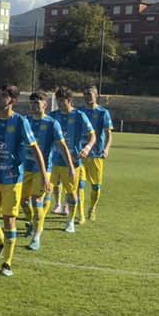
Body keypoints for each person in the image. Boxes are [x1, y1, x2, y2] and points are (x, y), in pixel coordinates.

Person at [0, 86, 45, 277]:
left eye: (3, 96)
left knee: (9, 219)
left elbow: (34, 148)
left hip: (12, 179)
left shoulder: (20, 121)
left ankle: (7, 262)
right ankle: (1, 241)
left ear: (12, 101)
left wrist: (44, 175)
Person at [22, 93, 68, 251]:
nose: (34, 105)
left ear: (45, 105)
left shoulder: (52, 123)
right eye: (32, 102)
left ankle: (36, 236)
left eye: (37, 102)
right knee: (23, 201)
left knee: (36, 202)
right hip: (25, 167)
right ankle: (31, 222)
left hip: (43, 170)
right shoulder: (25, 121)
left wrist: (70, 166)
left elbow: (62, 146)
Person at [53, 87, 96, 234]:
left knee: (71, 193)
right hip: (53, 161)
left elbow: (93, 135)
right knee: (44, 191)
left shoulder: (79, 116)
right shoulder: (53, 116)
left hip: (73, 162)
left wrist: (87, 148)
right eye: (58, 101)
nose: (59, 104)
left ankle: (70, 221)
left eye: (62, 101)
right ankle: (36, 221)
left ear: (69, 100)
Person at [80, 85, 115, 221]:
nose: (87, 97)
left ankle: (92, 208)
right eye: (85, 94)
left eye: (89, 94)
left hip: (96, 154)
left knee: (95, 185)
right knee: (80, 184)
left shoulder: (102, 112)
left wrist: (106, 149)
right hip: (81, 153)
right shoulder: (80, 112)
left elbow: (109, 134)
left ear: (96, 95)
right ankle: (80, 213)